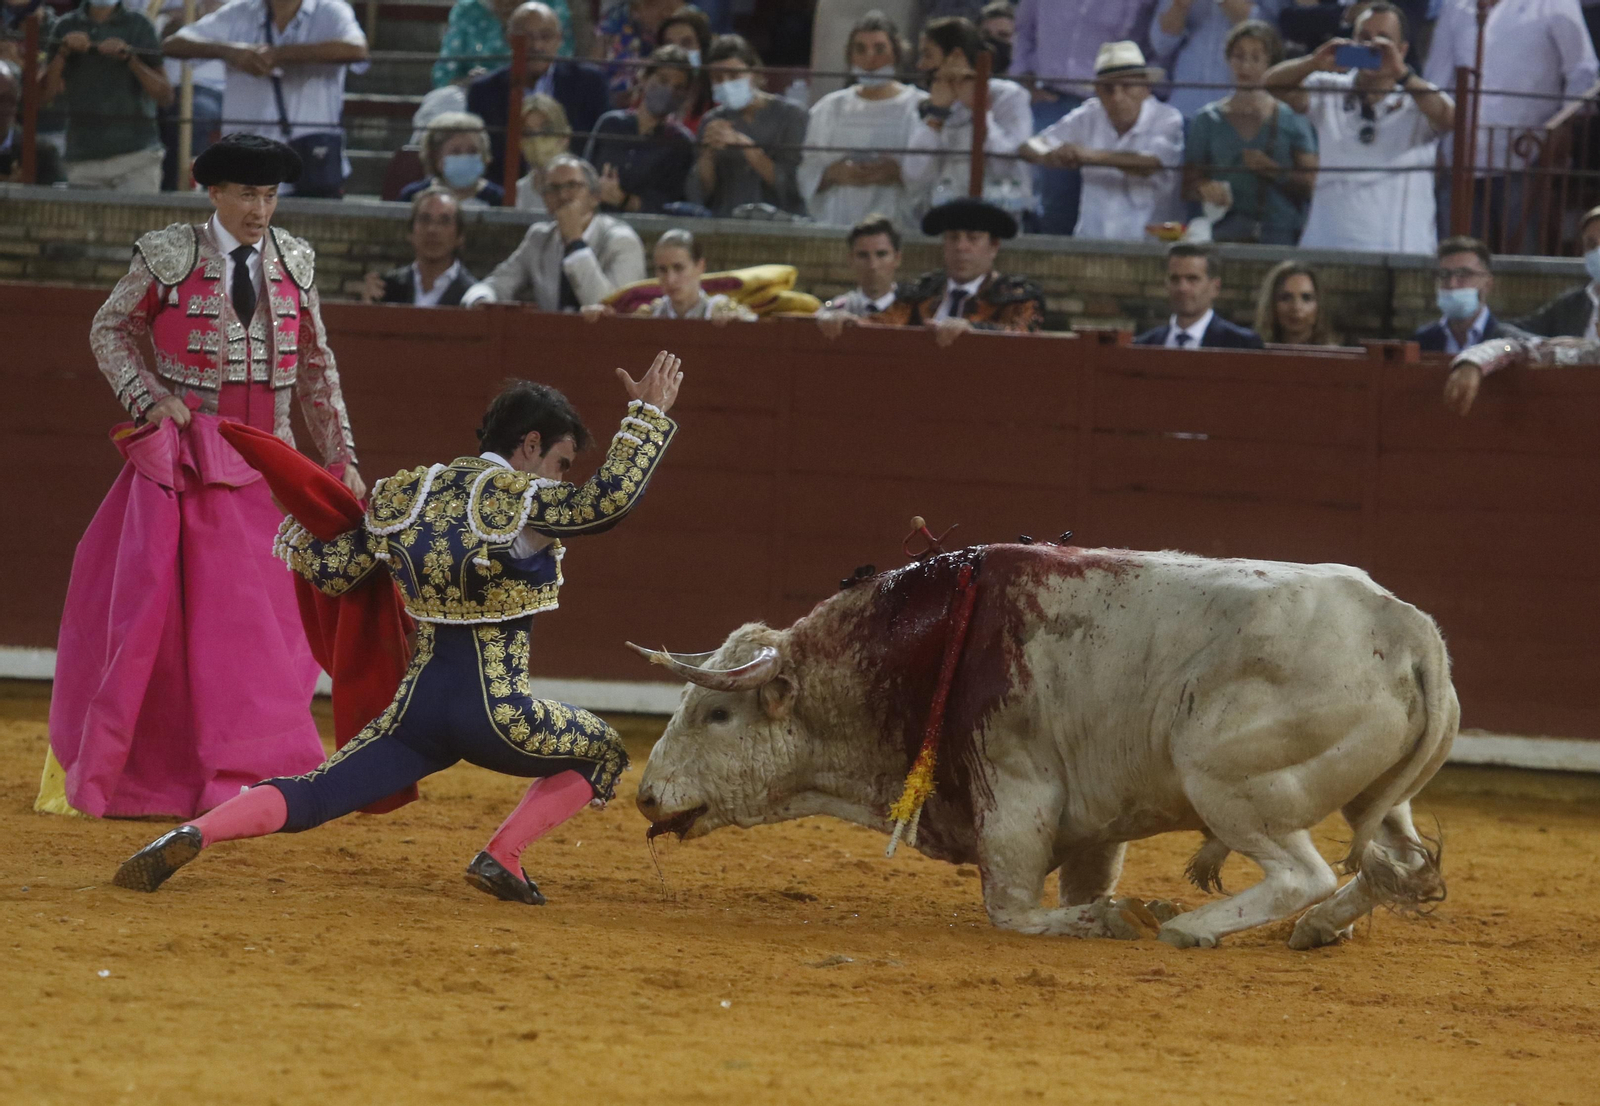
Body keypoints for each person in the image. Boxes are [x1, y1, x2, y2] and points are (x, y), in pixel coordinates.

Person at [110, 357, 685, 904]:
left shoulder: (406, 495)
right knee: (602, 750)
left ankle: (196, 832)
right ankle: (503, 855)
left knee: (315, 791)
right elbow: (605, 505)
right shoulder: (520, 499)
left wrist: (306, 528)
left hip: (415, 715)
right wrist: (647, 418)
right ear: (530, 445)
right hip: (497, 715)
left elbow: (334, 573)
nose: (560, 478)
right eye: (560, 462)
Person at [43, 133, 363, 820]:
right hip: (188, 460)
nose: (260, 208)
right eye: (248, 193)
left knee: (266, 634)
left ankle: (266, 769)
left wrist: (343, 460)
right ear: (213, 192)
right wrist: (149, 398)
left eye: (271, 195)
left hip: (270, 466)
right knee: (176, 630)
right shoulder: (170, 253)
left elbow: (316, 370)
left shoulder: (295, 261)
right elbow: (109, 330)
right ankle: (168, 774)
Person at [1264, 2, 1452, 254]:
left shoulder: (1418, 98)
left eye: (1383, 40)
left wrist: (1402, 74)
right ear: (1350, 41)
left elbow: (1450, 118)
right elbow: (1270, 85)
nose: (1372, 47)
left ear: (1402, 50)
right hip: (1326, 249)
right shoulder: (1329, 87)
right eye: (1363, 38)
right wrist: (1313, 62)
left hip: (1402, 255)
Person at [1426, 0, 1597, 254]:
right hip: (1459, 158)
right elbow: (1437, 77)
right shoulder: (1455, 6)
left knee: (1522, 261)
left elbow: (1582, 72)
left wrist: (1561, 129)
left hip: (1526, 158)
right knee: (1456, 260)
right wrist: (1435, 142)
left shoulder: (1553, 3)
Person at [164, 0, 368, 199]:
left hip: (312, 162)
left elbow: (357, 49)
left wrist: (279, 55)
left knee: (318, 231)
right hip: (248, 164)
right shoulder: (240, 11)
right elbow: (173, 44)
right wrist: (230, 51)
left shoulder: (330, 10)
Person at [1009, 0, 1158, 235]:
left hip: (1115, 100)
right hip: (1050, 97)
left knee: (1114, 186)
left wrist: (1136, 95)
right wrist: (1025, 82)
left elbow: (1150, 43)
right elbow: (1023, 30)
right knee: (1053, 198)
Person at [1017, 41, 1183, 242]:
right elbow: (1031, 145)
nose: (1117, 97)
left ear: (1145, 87)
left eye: (1127, 86)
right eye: (1108, 89)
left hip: (1149, 243)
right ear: (1097, 91)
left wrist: (1085, 155)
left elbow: (1151, 163)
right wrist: (1049, 155)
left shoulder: (1167, 118)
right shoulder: (1089, 114)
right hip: (1092, 239)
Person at [1184, 21, 1318, 245]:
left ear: (1271, 63)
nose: (1245, 65)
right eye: (1238, 56)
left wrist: (1275, 171)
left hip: (1280, 233)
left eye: (1256, 58)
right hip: (1224, 231)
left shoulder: (1292, 119)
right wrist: (1204, 188)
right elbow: (1188, 184)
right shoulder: (1207, 120)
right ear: (1228, 59)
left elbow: (1312, 184)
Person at [462, 153, 646, 309]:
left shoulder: (621, 241)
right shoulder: (539, 238)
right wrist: (480, 299)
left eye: (572, 186)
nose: (563, 196)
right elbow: (497, 284)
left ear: (595, 197)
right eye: (553, 189)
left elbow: (611, 310)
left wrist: (575, 243)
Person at [797, 10, 926, 229]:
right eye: (860, 49)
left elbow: (936, 173)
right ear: (850, 55)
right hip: (838, 223)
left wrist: (900, 173)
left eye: (879, 48)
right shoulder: (829, 108)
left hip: (898, 225)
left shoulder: (919, 106)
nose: (870, 59)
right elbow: (806, 170)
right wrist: (832, 174)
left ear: (896, 52)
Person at [867, 196, 1045, 344]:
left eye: (973, 239)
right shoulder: (921, 292)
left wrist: (973, 330)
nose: (961, 246)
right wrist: (852, 321)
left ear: (994, 247)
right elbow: (884, 324)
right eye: (953, 238)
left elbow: (1021, 335)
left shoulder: (1017, 297)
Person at [902, 16, 1033, 217]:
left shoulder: (1009, 96)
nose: (920, 65)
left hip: (998, 218)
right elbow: (914, 175)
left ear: (955, 55)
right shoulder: (926, 103)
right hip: (942, 218)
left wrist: (978, 108)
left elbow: (1007, 165)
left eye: (928, 55)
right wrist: (937, 115)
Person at [467, 2, 607, 183]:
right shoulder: (483, 91)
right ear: (509, 39)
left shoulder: (589, 82)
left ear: (559, 39)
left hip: (573, 191)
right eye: (526, 37)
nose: (536, 45)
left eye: (546, 36)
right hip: (505, 196)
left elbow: (601, 149)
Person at [41, 0, 171, 192]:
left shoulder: (139, 25)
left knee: (137, 222)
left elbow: (165, 96)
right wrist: (63, 52)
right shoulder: (65, 26)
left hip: (136, 158)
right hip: (82, 159)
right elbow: (42, 96)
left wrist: (130, 58)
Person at [685, 33, 807, 217]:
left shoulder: (792, 116)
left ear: (754, 73)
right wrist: (707, 155)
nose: (725, 83)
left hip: (781, 226)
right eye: (717, 78)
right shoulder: (711, 121)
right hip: (726, 224)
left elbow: (795, 187)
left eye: (734, 75)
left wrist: (747, 148)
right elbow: (700, 194)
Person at [581, 43, 695, 213]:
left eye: (678, 87)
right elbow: (584, 175)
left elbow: (671, 205)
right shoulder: (610, 124)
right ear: (644, 79)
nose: (669, 91)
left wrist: (623, 200)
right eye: (663, 80)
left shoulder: (682, 143)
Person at [1150, 0, 1280, 120]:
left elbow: (1269, 34)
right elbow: (1161, 44)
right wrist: (1180, 5)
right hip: (1185, 109)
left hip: (1238, 116)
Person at [151, 0, 227, 192]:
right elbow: (151, 29)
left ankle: (187, 186)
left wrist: (201, 13)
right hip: (165, 84)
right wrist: (177, 17)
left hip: (210, 85)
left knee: (195, 114)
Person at [1412, 236, 1532, 354]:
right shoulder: (1420, 341)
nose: (1452, 283)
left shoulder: (1508, 343)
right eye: (1444, 274)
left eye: (1464, 274)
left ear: (1487, 283)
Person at [1134, 241, 1265, 349]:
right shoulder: (1144, 344)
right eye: (1175, 279)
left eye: (1192, 279)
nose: (1182, 288)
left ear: (1215, 287)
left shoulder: (1242, 344)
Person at [361, 187, 478, 307]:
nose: (432, 230)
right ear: (411, 232)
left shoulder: (473, 296)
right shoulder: (387, 289)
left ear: (460, 236)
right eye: (425, 219)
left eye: (444, 221)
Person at [433, 0, 580, 89]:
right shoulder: (468, 10)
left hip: (541, 93)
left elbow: (562, 61)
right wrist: (471, 83)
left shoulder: (550, 6)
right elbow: (443, 75)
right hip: (475, 98)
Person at [1513, 206, 1600, 339]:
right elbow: (1517, 329)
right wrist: (1547, 345)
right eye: (1591, 244)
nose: (1597, 252)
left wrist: (1583, 350)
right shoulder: (1573, 304)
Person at [816, 213, 904, 338]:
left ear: (897, 258)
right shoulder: (837, 307)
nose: (872, 265)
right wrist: (825, 317)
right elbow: (818, 315)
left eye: (881, 254)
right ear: (850, 259)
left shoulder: (914, 309)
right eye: (863, 255)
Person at [636, 228, 755, 320]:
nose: (670, 279)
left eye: (679, 268)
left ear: (700, 267)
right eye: (662, 270)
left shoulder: (724, 312)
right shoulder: (650, 315)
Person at [399, 110, 503, 206]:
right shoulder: (413, 196)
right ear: (435, 156)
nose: (465, 157)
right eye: (455, 152)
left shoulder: (499, 199)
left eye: (473, 151)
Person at [593, 0, 678, 108]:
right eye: (654, 5)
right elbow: (594, 68)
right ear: (637, 8)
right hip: (608, 100)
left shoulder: (670, 32)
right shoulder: (613, 23)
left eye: (668, 7)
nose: (664, 13)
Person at [0, 58, 64, 183]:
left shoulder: (40, 152)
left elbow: (61, 196)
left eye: (9, 100)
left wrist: (25, 193)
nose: (4, 108)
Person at [1253, 259, 1337, 344]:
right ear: (1271, 304)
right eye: (1286, 298)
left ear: (1319, 304)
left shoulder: (1337, 356)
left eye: (1306, 298)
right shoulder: (1253, 353)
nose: (1296, 307)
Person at [656, 4, 712, 133]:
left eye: (686, 43)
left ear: (703, 49)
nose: (678, 52)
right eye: (669, 44)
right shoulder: (647, 95)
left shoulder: (717, 102)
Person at [514, 91, 572, 211]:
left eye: (546, 131)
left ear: (565, 137)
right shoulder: (517, 193)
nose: (536, 140)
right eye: (528, 133)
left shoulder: (586, 189)